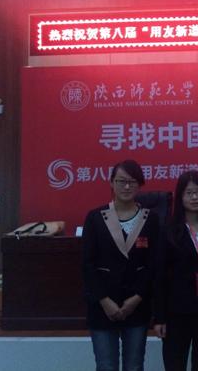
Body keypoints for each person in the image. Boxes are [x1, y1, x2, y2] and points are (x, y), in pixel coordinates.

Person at [82, 159, 159, 371]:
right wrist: (104, 300)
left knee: (134, 366)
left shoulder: (151, 219)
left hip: (137, 306)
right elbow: (87, 264)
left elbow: (154, 264)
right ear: (111, 183)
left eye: (132, 182)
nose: (126, 186)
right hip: (102, 306)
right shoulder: (95, 217)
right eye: (121, 181)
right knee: (106, 366)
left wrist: (136, 299)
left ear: (140, 185)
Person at [153, 170, 198, 371]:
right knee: (175, 364)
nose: (194, 198)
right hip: (176, 312)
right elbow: (159, 276)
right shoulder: (168, 230)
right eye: (189, 193)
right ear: (180, 197)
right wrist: (159, 317)